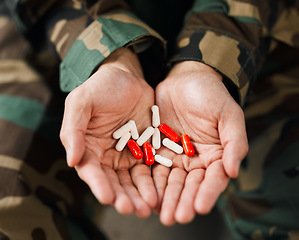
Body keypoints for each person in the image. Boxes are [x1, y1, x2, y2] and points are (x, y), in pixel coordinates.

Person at [0, 1, 298, 240]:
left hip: (248, 36)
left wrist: (206, 64)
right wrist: (109, 57)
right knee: (7, 208)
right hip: (62, 33)